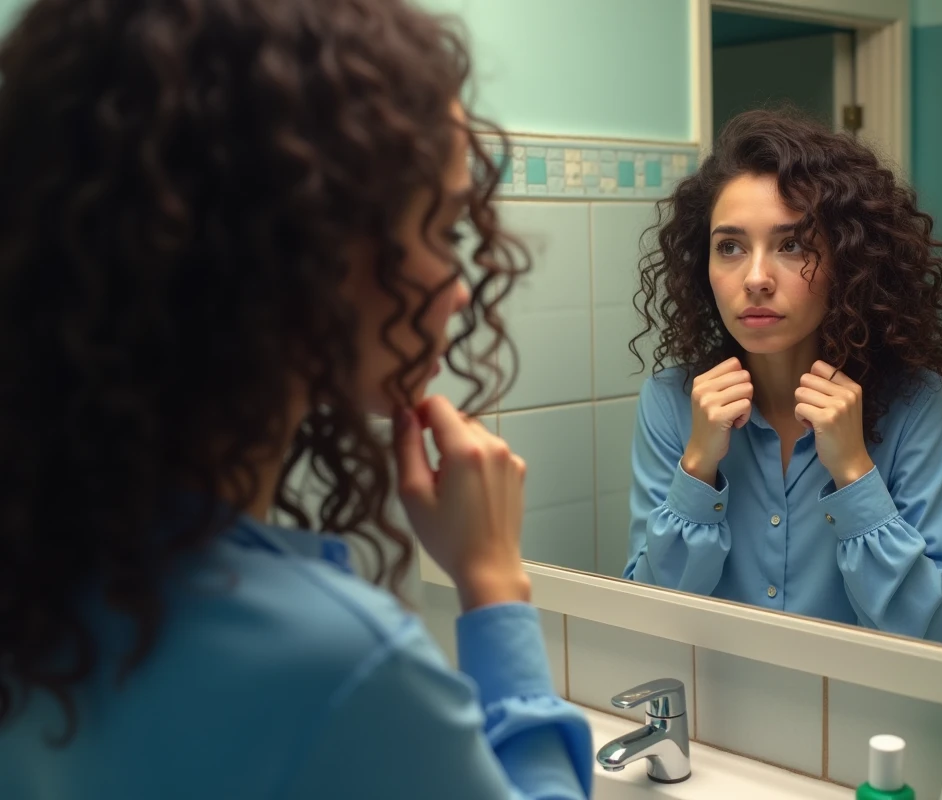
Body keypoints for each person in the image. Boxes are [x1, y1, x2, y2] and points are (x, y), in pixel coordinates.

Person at [0, 1, 591, 798]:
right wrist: (493, 587)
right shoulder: (338, 670)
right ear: (308, 247)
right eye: (447, 229)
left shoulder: (48, 562)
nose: (458, 292)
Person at [625, 108, 942, 647]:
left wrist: (855, 475)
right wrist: (697, 469)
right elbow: (646, 621)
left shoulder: (917, 405)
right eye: (730, 247)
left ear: (848, 260)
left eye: (791, 245)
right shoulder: (671, 402)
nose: (755, 279)